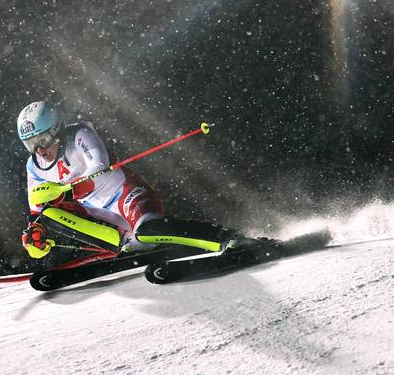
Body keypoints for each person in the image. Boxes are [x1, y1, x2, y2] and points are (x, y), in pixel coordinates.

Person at [16, 100, 245, 259]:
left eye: (43, 139)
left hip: (127, 195)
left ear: (56, 130)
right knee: (49, 214)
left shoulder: (80, 135)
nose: (39, 150)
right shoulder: (33, 166)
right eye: (30, 144)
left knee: (147, 231)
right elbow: (36, 209)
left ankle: (226, 238)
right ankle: (124, 242)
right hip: (102, 216)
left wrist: (65, 191)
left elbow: (99, 165)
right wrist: (35, 234)